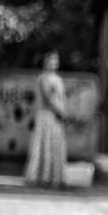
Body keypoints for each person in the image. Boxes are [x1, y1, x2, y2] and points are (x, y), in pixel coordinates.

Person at [24, 50, 67, 188]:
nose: (53, 63)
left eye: (55, 60)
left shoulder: (58, 79)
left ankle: (54, 179)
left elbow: (61, 98)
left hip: (56, 117)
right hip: (47, 116)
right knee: (44, 146)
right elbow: (47, 98)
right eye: (50, 60)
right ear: (45, 62)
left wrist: (63, 111)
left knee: (55, 147)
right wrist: (59, 111)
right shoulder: (43, 78)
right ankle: (41, 177)